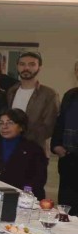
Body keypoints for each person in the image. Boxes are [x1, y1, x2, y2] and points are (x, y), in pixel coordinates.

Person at [0, 109, 47, 199]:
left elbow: (39, 179)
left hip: (22, 197)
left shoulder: (34, 149)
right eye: (1, 123)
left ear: (21, 127)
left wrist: (21, 194)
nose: (4, 127)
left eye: (10, 123)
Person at [5, 51, 59, 154]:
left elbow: (49, 127)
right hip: (9, 147)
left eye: (32, 64)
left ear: (39, 67)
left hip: (35, 150)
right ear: (17, 67)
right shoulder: (11, 91)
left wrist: (23, 140)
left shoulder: (49, 94)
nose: (26, 68)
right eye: (22, 64)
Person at [52, 77, 78, 215]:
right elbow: (60, 121)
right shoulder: (70, 95)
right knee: (66, 208)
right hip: (69, 158)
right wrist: (56, 145)